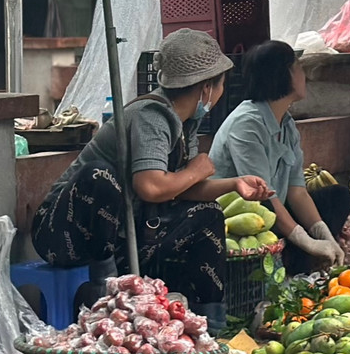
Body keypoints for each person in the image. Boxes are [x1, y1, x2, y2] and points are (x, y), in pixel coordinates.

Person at [31, 29, 272, 332]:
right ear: (207, 87)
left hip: (124, 232)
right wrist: (197, 169)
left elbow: (183, 188)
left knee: (208, 213)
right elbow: (152, 186)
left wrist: (233, 184)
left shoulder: (185, 122)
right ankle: (109, 293)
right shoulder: (150, 116)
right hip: (66, 233)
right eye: (222, 82)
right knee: (100, 177)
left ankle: (212, 328)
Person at [210, 40, 349, 273]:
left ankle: (311, 267)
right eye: (299, 68)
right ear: (283, 74)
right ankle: (298, 268)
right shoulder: (247, 124)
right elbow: (263, 197)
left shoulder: (286, 123)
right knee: (285, 222)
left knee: (338, 197)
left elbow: (297, 191)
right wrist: (308, 243)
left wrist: (324, 237)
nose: (305, 76)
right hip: (243, 219)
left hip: (275, 210)